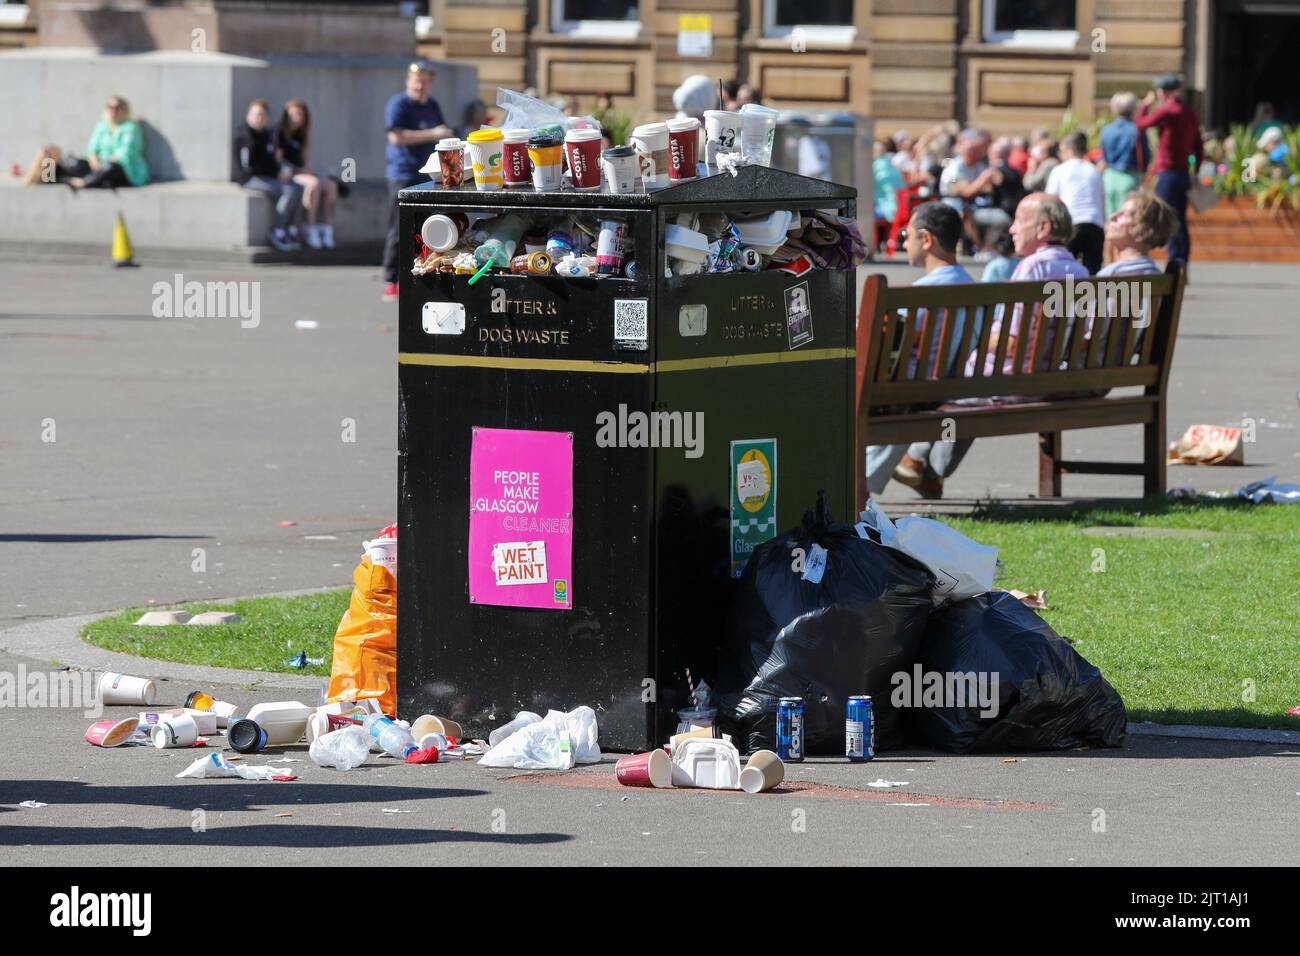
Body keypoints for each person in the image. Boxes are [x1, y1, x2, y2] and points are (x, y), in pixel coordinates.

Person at [900, 194, 1089, 494]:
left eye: (1019, 221)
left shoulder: (1031, 269)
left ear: (1043, 228)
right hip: (1047, 378)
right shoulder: (1079, 271)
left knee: (954, 379)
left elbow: (1012, 345)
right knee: (965, 393)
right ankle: (928, 471)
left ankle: (918, 461)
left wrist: (971, 335)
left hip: (1009, 381)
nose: (1011, 229)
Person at [865, 202, 975, 498]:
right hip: (954, 388)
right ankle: (909, 470)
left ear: (926, 239)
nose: (904, 242)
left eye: (907, 234)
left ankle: (857, 481)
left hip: (910, 389)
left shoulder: (923, 292)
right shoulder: (973, 286)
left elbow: (892, 339)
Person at [381, 62, 455, 302]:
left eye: (424, 82)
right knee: (399, 228)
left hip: (427, 177)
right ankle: (392, 279)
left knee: (426, 228)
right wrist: (433, 133)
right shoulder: (399, 104)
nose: (420, 86)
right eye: (416, 81)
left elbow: (443, 134)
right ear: (408, 82)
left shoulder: (432, 105)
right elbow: (396, 136)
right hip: (403, 174)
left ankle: (421, 274)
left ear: (430, 84)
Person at [1136, 73, 1202, 263]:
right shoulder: (1189, 112)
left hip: (1167, 174)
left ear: (1162, 92)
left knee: (1164, 217)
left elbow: (1140, 124)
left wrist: (1145, 105)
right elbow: (1199, 145)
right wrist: (1196, 170)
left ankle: (1170, 258)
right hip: (1183, 174)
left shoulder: (1167, 111)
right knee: (1180, 219)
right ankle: (1181, 261)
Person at [25, 96, 150, 190]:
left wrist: (102, 164)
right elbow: (92, 149)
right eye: (110, 107)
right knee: (74, 164)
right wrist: (94, 160)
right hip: (99, 168)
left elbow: (124, 154)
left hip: (124, 171)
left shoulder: (130, 128)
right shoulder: (102, 126)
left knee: (110, 167)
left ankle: (83, 183)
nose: (113, 111)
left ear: (124, 109)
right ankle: (48, 176)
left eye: (117, 107)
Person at [233, 98, 303, 253]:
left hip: (266, 176)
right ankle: (277, 231)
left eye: (263, 115)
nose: (259, 118)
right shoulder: (245, 136)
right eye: (256, 114)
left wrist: (278, 172)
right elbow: (248, 167)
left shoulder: (266, 136)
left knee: (298, 187)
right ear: (248, 115)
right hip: (250, 179)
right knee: (288, 190)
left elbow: (271, 160)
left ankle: (290, 230)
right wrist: (273, 174)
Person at [273, 99, 338, 250]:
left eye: (300, 114)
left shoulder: (301, 134)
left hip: (302, 172)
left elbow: (304, 160)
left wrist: (307, 170)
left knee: (331, 185)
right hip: (288, 174)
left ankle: (327, 228)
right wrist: (300, 171)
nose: (296, 118)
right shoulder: (279, 133)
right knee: (313, 184)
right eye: (293, 114)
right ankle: (310, 226)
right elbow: (279, 161)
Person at [1046, 130, 1105, 273]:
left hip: (1072, 223)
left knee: (1064, 269)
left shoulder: (1060, 170)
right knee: (1093, 272)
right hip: (1095, 224)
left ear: (1069, 150)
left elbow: (1050, 199)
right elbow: (1102, 199)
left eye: (1061, 151)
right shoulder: (1094, 170)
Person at [1098, 92, 1147, 219]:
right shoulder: (1137, 130)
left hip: (1109, 177)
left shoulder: (1106, 130)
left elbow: (1102, 155)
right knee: (1127, 218)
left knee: (1110, 218)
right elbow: (1145, 156)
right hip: (1130, 176)